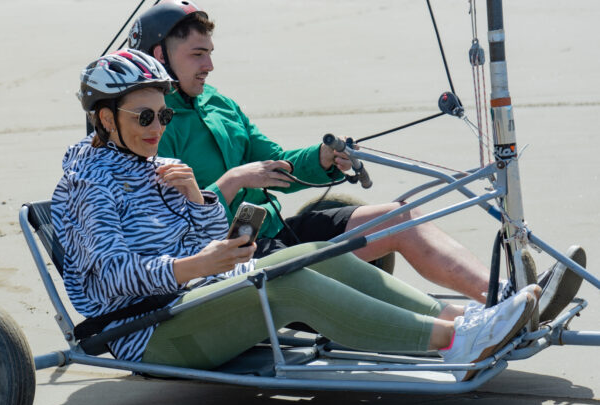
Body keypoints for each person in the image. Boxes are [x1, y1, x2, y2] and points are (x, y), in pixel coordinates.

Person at [51, 48, 538, 380]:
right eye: (144, 117)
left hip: (193, 302)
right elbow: (112, 278)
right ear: (104, 118)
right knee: (285, 280)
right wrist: (199, 265)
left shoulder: (153, 167)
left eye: (164, 115)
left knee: (309, 254)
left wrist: (199, 203)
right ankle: (453, 341)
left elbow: (201, 236)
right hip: (148, 333)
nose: (157, 126)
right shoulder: (88, 184)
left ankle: (466, 317)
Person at [127, 0, 582, 312]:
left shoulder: (219, 104)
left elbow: (277, 163)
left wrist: (322, 159)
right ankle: (502, 309)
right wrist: (235, 181)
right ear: (159, 55)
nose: (209, 65)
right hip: (235, 260)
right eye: (197, 55)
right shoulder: (146, 126)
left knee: (402, 216)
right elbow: (162, 225)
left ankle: (507, 297)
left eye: (209, 53)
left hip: (278, 233)